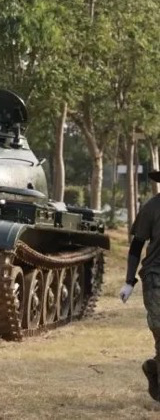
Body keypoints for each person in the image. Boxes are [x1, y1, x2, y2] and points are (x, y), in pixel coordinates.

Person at [120, 169, 160, 401]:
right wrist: (129, 281)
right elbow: (137, 244)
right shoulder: (152, 207)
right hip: (156, 278)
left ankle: (154, 368)